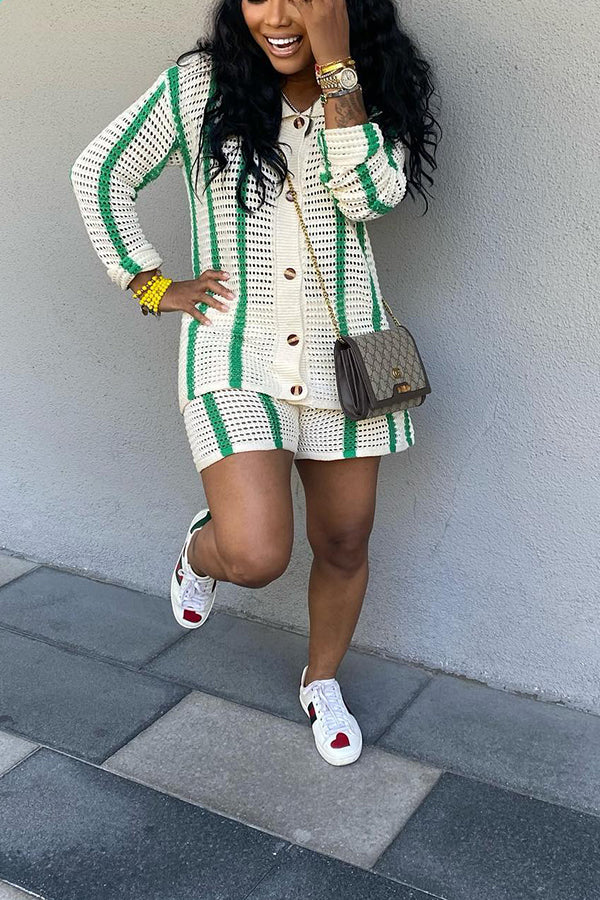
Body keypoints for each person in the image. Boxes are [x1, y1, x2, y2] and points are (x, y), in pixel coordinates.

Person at [70, 0, 440, 767]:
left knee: (344, 540)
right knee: (254, 551)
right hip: (235, 355)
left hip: (347, 364)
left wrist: (338, 71)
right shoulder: (199, 86)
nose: (275, 14)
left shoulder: (378, 84)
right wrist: (149, 283)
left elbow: (370, 198)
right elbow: (99, 172)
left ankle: (321, 681)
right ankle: (202, 551)